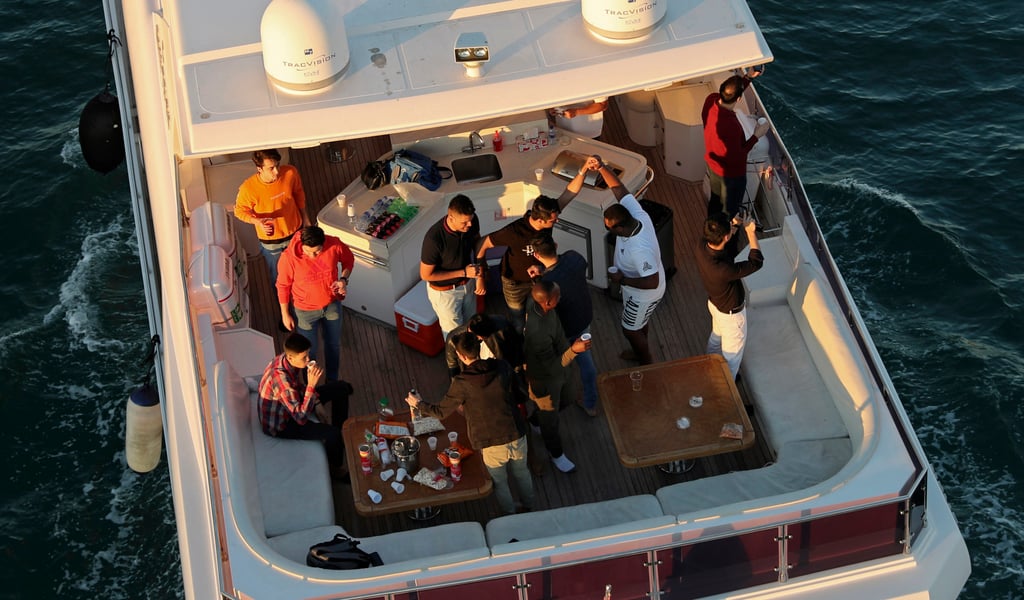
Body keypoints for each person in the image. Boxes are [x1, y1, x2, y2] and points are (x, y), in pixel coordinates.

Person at [405, 332, 534, 515]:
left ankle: (510, 515)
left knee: (500, 482)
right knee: (522, 473)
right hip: (516, 432)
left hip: (491, 443)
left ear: (461, 356)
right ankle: (529, 506)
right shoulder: (502, 366)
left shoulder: (462, 382)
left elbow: (441, 411)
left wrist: (418, 404)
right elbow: (519, 394)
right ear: (479, 347)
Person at [476, 166, 589, 332]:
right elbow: (483, 243)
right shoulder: (513, 232)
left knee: (538, 316)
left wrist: (583, 169)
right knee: (517, 321)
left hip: (539, 279)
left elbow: (570, 193)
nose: (556, 222)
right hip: (514, 283)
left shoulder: (548, 214)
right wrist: (480, 273)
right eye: (553, 221)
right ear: (541, 221)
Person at [598, 156, 665, 365]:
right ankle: (640, 350)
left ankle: (646, 362)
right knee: (639, 322)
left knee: (630, 329)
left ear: (619, 228)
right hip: (635, 289)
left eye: (608, 227)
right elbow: (620, 190)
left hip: (643, 293)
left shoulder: (639, 250)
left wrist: (622, 280)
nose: (606, 229)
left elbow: (651, 281)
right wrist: (601, 166)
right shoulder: (637, 215)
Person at [258, 333, 352, 480]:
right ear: (291, 357)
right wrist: (311, 386)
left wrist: (316, 401)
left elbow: (298, 387)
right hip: (282, 425)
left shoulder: (286, 360)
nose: (309, 360)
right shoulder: (282, 381)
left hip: (292, 405)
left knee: (343, 388)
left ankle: (341, 435)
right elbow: (300, 418)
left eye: (308, 355)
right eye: (304, 357)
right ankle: (335, 470)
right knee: (332, 434)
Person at [523, 281, 591, 473]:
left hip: (561, 370)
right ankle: (556, 454)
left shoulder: (536, 302)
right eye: (558, 297)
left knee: (568, 398)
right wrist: (574, 351)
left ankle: (535, 421)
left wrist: (538, 277)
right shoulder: (538, 332)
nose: (561, 298)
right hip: (545, 379)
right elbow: (551, 365)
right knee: (550, 422)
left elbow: (536, 291)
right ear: (548, 303)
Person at [276, 226, 354, 382]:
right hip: (305, 312)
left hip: (332, 305)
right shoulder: (288, 258)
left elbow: (348, 260)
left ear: (324, 243)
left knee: (333, 345)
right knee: (308, 353)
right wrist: (285, 314)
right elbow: (283, 286)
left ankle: (331, 381)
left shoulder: (334, 245)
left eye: (317, 252)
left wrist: (343, 280)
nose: (313, 256)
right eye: (308, 252)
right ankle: (308, 384)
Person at [529, 239, 597, 416]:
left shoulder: (549, 284)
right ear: (556, 245)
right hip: (583, 321)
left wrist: (538, 280)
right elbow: (576, 268)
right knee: (587, 366)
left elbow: (545, 303)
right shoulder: (574, 258)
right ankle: (590, 404)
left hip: (562, 332)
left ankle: (548, 411)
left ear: (536, 255)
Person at [694, 212, 764, 378]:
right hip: (731, 317)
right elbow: (756, 262)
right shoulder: (723, 270)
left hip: (716, 305)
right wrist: (750, 232)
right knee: (732, 361)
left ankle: (709, 366)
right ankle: (726, 391)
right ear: (725, 237)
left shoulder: (701, 246)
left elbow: (721, 238)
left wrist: (734, 223)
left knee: (715, 340)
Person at [234, 149, 311, 285]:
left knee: (300, 269)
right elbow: (239, 211)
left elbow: (299, 194)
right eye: (271, 168)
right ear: (259, 168)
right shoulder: (248, 188)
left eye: (277, 165)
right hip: (271, 242)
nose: (276, 171)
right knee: (278, 276)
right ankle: (283, 304)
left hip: (296, 233)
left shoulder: (290, 172)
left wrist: (305, 217)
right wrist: (257, 221)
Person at [701, 71, 770, 217]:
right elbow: (739, 155)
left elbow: (730, 94)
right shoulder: (731, 126)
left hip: (713, 167)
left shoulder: (710, 100)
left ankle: (712, 225)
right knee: (730, 210)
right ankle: (727, 236)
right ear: (739, 99)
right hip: (731, 176)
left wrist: (748, 78)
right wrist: (757, 135)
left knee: (715, 200)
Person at [420, 194, 484, 340]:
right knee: (456, 337)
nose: (469, 225)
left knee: (472, 327)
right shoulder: (434, 239)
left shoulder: (471, 221)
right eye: (464, 223)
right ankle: (457, 363)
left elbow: (478, 244)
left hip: (468, 284)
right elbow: (426, 275)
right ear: (450, 217)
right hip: (445, 294)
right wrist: (463, 272)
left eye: (471, 220)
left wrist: (480, 276)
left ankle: (473, 361)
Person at [444, 313, 524, 379]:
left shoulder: (502, 328)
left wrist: (516, 372)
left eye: (479, 337)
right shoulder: (453, 339)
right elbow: (452, 367)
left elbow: (515, 351)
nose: (477, 339)